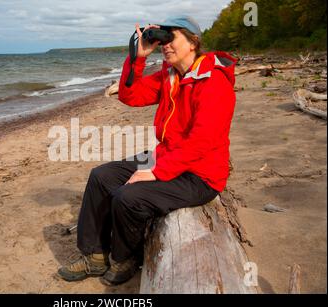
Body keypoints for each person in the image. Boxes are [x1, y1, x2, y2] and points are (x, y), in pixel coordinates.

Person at [58, 15, 237, 286]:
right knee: (101, 176)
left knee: (128, 197)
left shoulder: (213, 81)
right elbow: (131, 95)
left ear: (193, 43)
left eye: (170, 37)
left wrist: (155, 173)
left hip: (200, 174)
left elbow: (203, 141)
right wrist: (138, 56)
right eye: (160, 39)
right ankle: (95, 256)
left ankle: (125, 258)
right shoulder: (170, 76)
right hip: (168, 157)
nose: (164, 45)